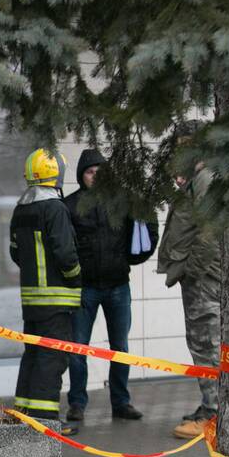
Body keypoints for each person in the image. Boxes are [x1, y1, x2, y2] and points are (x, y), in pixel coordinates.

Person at [63, 149, 158, 422]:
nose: (95, 177)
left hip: (118, 285)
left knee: (120, 348)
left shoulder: (122, 203)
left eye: (100, 172)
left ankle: (121, 402)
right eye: (90, 172)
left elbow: (146, 228)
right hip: (85, 288)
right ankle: (77, 403)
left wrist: (136, 257)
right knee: (78, 348)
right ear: (82, 175)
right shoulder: (70, 205)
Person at [10, 148, 82, 435]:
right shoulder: (54, 208)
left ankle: (25, 413)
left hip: (32, 300)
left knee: (33, 355)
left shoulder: (21, 208)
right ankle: (45, 420)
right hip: (57, 299)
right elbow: (65, 253)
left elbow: (16, 253)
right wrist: (76, 278)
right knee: (53, 359)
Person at [157, 149, 219, 439]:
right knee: (203, 343)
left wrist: (192, 270)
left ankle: (214, 412)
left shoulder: (205, 179)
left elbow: (210, 232)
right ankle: (211, 407)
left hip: (204, 280)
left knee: (207, 344)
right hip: (201, 278)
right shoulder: (196, 181)